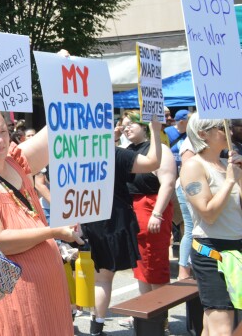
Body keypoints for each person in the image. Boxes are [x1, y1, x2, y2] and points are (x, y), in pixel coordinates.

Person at [0, 112, 82, 335]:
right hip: (16, 297)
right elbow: (0, 242)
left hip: (48, 293)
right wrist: (53, 231)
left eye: (3, 131)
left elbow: (62, 123)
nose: (0, 140)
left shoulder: (15, 161)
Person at [83, 113, 164, 336]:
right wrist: (156, 131)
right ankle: (97, 325)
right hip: (112, 219)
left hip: (88, 217)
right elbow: (153, 162)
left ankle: (95, 325)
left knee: (99, 277)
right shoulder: (115, 153)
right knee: (105, 278)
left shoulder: (80, 153)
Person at [180, 113, 242, 336]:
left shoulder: (229, 163)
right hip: (211, 251)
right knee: (222, 326)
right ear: (203, 134)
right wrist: (230, 181)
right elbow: (208, 214)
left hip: (236, 248)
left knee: (219, 325)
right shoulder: (193, 166)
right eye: (221, 126)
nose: (229, 129)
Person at [121, 112, 176, 308]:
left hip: (152, 208)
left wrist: (157, 214)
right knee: (141, 264)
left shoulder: (160, 150)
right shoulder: (126, 151)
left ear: (144, 126)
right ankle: (146, 310)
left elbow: (168, 183)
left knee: (155, 262)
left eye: (131, 124)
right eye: (124, 124)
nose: (126, 128)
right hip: (133, 211)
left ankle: (159, 313)